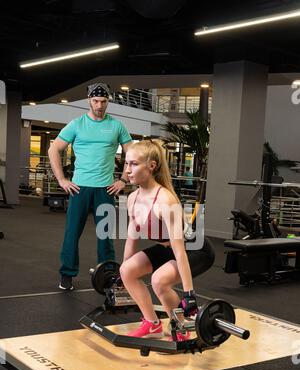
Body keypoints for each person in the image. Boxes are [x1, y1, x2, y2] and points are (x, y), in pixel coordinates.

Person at [119, 140, 215, 341]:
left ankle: (181, 326)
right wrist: (122, 276)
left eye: (134, 164)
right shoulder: (132, 198)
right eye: (126, 163)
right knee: (127, 270)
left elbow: (180, 251)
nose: (127, 170)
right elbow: (131, 239)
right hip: (168, 248)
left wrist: (189, 294)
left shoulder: (165, 201)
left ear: (152, 166)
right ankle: (152, 324)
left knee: (159, 281)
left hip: (196, 250)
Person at [48, 83, 132, 291]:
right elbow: (54, 149)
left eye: (104, 101)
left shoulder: (117, 126)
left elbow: (133, 154)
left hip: (105, 189)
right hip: (79, 189)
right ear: (89, 100)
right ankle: (67, 274)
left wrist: (124, 180)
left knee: (105, 236)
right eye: (96, 101)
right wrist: (62, 179)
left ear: (108, 101)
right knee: (72, 234)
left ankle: (109, 275)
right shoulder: (77, 124)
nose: (100, 105)